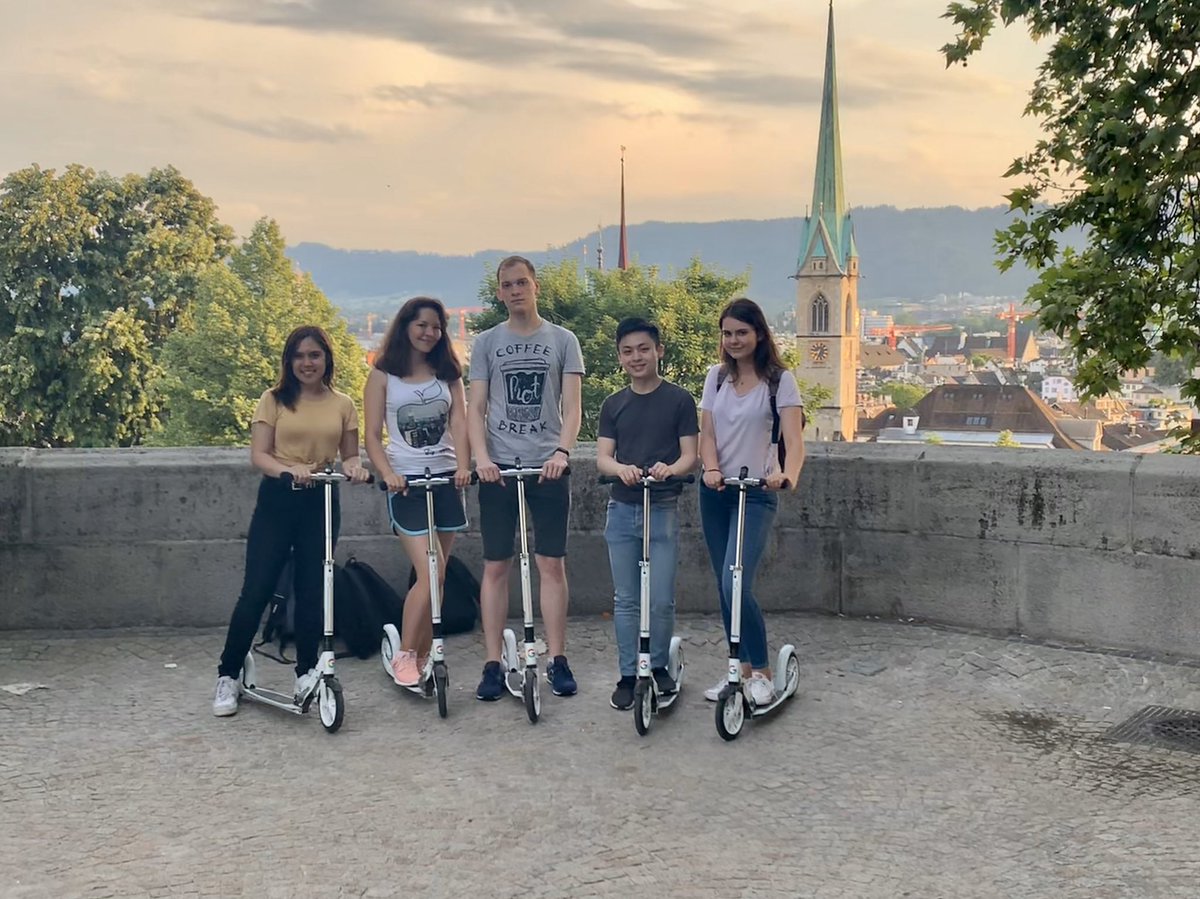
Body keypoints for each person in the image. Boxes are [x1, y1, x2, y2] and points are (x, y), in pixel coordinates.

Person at [212, 325, 370, 717]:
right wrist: (288, 470)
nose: (307, 363)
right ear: (289, 361)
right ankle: (228, 674)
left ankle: (305, 671)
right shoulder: (273, 399)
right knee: (257, 589)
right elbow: (259, 455)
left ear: (326, 360)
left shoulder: (343, 404)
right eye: (299, 356)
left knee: (314, 589)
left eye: (314, 355)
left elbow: (349, 455)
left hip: (321, 500)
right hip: (279, 500)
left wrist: (355, 468)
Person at [468, 255, 585, 700]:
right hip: (498, 468)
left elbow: (572, 408)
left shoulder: (562, 340)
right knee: (496, 565)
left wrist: (562, 451)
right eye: (507, 285)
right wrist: (481, 458)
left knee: (550, 563)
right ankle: (492, 663)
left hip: (546, 466)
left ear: (535, 286)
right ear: (499, 293)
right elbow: (475, 408)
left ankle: (557, 658)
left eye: (522, 282)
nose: (515, 290)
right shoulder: (486, 343)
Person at [697, 297, 805, 707]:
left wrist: (787, 475)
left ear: (759, 333)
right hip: (717, 490)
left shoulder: (780, 381)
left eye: (741, 332)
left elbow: (794, 441)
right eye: (727, 333)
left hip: (758, 491)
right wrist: (709, 468)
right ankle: (737, 671)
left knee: (735, 580)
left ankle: (760, 669)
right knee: (726, 588)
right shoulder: (716, 378)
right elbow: (707, 434)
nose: (734, 340)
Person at [363, 298, 472, 687]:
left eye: (436, 327)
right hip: (407, 482)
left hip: (444, 480)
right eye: (421, 325)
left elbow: (459, 423)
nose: (429, 333)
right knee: (429, 571)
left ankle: (424, 654)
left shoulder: (448, 374)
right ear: (406, 326)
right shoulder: (383, 375)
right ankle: (406, 652)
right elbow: (372, 436)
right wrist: (389, 472)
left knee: (438, 577)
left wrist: (463, 465)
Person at [596, 318, 698, 710]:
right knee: (625, 598)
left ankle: (656, 667)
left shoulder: (679, 400)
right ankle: (627, 672)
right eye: (628, 351)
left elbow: (691, 455)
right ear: (620, 357)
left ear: (659, 351)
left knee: (660, 599)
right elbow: (603, 458)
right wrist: (619, 468)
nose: (636, 357)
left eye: (643, 349)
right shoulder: (613, 404)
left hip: (663, 507)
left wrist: (669, 469)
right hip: (622, 507)